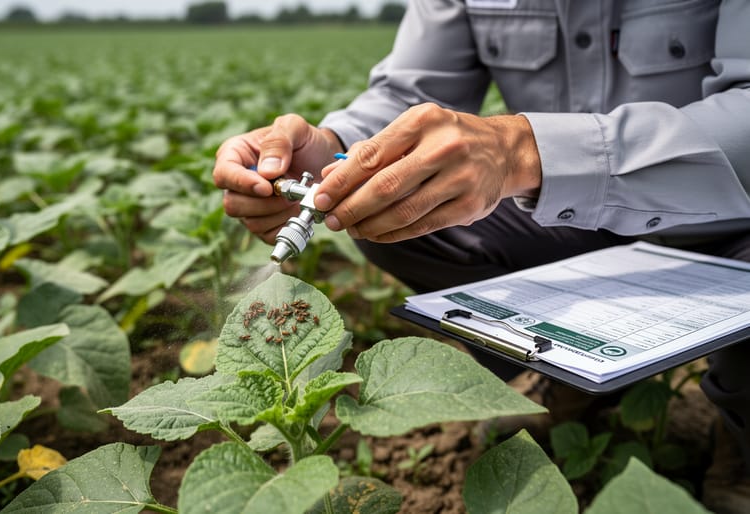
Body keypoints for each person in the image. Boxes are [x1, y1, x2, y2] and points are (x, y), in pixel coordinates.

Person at [213, 1, 750, 510]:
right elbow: (412, 90)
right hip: (568, 209)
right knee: (392, 206)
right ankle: (576, 379)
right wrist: (335, 150)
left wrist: (524, 149)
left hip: (727, 218)